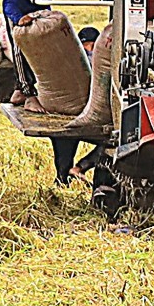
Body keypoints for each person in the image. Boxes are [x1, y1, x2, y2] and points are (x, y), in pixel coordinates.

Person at [50, 25, 100, 186]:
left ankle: (71, 173)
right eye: (87, 46)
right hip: (82, 114)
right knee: (112, 144)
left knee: (63, 150)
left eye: (92, 46)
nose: (90, 50)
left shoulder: (66, 58)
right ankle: (72, 172)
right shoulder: (99, 59)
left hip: (74, 114)